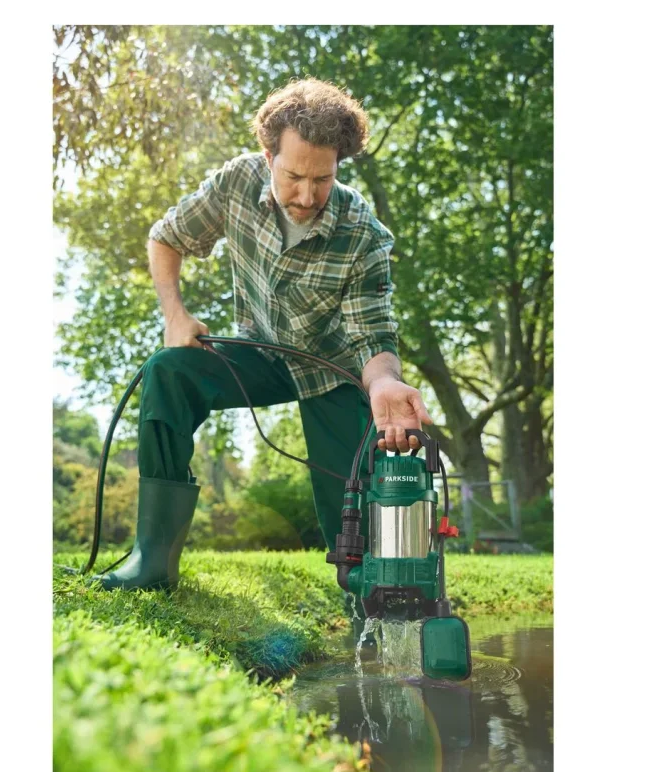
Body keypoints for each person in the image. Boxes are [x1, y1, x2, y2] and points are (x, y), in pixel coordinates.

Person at [100, 78, 433, 591]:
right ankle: (152, 562)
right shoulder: (237, 183)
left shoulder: (363, 233)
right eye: (294, 176)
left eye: (322, 179)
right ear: (267, 155)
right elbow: (167, 237)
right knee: (167, 371)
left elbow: (373, 336)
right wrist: (175, 314)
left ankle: (372, 608)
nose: (306, 195)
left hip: (335, 373)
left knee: (356, 510)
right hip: (260, 352)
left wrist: (385, 383)